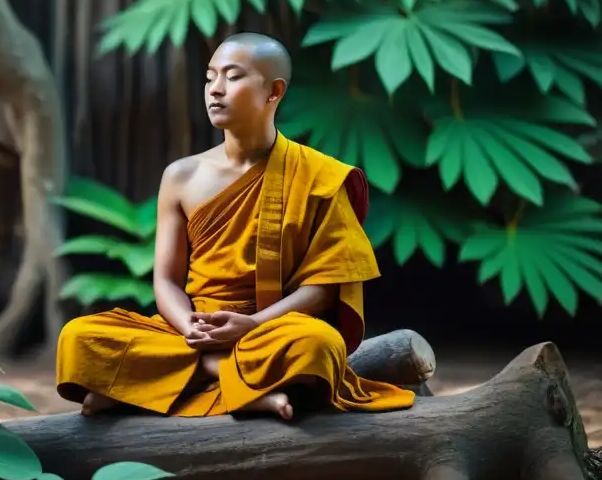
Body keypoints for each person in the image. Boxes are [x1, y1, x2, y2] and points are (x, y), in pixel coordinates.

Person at [55, 32, 416, 420]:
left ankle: (145, 387)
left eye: (233, 76)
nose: (216, 89)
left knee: (318, 344)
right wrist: (189, 326)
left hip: (270, 328)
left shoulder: (319, 176)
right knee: (79, 337)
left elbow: (325, 288)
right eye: (210, 77)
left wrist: (251, 324)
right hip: (191, 329)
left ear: (273, 92)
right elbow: (166, 281)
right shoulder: (181, 176)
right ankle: (233, 380)